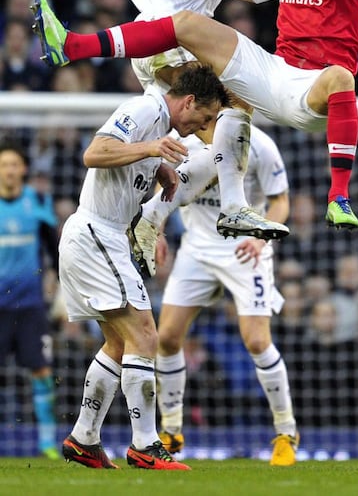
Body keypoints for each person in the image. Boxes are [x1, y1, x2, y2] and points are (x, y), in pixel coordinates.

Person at [32, 0, 358, 230]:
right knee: (188, 25)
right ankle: (72, 46)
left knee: (341, 77)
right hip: (275, 70)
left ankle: (338, 198)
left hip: (314, 88)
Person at [57, 63, 227, 470]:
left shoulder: (161, 130)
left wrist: (159, 173)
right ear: (187, 102)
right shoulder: (146, 110)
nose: (201, 127)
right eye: (203, 117)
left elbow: (126, 174)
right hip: (96, 234)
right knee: (146, 336)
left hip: (104, 236)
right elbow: (94, 153)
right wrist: (150, 151)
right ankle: (145, 445)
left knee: (120, 344)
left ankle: (83, 438)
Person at [129, 0, 294, 243]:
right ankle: (227, 209)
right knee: (225, 111)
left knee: (217, 136)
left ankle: (151, 217)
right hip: (162, 35)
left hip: (186, 42)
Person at [147, 124, 298, 466]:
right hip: (197, 249)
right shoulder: (185, 141)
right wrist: (156, 228)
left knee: (257, 341)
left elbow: (281, 202)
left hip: (246, 251)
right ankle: (171, 430)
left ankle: (286, 432)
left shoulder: (260, 145)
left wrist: (260, 237)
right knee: (167, 338)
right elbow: (166, 183)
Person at [0, 139, 59, 459]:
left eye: (14, 164)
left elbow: (53, 250)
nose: (9, 170)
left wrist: (61, 289)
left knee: (41, 370)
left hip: (29, 305)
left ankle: (48, 442)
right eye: (4, 164)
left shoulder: (37, 200)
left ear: (23, 169)